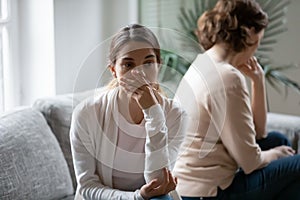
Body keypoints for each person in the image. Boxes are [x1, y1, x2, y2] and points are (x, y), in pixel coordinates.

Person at [173, 0, 300, 199]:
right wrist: (276, 154)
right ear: (249, 34)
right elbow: (251, 162)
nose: (255, 50)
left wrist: (257, 81)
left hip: (186, 186)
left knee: (278, 140)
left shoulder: (203, 62)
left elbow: (259, 133)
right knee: (295, 162)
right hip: (208, 193)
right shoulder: (227, 77)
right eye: (258, 42)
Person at [70, 24, 186, 200]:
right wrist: (137, 197)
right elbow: (87, 186)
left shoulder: (175, 114)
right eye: (128, 64)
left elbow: (158, 182)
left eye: (148, 63)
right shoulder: (86, 114)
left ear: (159, 66)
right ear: (114, 70)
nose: (139, 73)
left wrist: (154, 114)